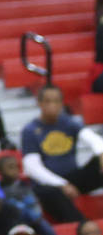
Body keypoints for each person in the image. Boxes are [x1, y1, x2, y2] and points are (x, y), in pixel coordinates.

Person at [21, 84, 103, 225]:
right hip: (48, 184)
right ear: (39, 103)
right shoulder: (30, 130)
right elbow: (32, 167)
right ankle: (83, 226)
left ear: (62, 103)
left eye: (56, 101)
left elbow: (94, 139)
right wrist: (61, 184)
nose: (52, 105)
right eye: (47, 101)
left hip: (73, 178)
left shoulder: (69, 122)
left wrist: (101, 153)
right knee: (50, 192)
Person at [0, 153, 66, 235]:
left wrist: (34, 212)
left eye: (17, 167)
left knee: (44, 225)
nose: (15, 170)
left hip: (32, 217)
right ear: (0, 171)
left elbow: (32, 200)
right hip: (14, 220)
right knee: (19, 229)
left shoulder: (25, 185)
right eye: (10, 167)